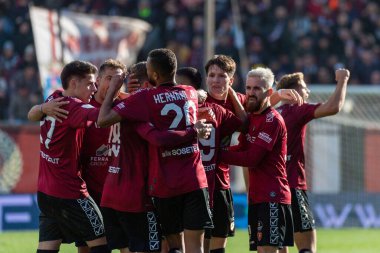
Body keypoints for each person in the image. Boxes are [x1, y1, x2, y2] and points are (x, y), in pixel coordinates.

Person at [98, 48, 213, 253]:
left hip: (164, 184)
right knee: (196, 247)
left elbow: (103, 119)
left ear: (155, 75)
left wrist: (116, 89)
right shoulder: (191, 92)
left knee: (174, 246)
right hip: (194, 179)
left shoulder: (145, 98)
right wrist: (192, 131)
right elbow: (196, 94)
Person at [29, 60, 110, 253]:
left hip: (46, 193)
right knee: (101, 245)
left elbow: (32, 113)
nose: (94, 88)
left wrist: (40, 108)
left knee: (47, 247)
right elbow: (105, 116)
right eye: (90, 83)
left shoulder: (53, 98)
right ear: (74, 83)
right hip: (70, 193)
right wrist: (116, 90)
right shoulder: (74, 107)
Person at [220, 67, 294, 253]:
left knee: (268, 249)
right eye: (248, 88)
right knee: (267, 249)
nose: (251, 93)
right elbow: (241, 148)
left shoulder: (272, 121)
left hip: (272, 196)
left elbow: (252, 158)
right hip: (257, 196)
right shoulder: (253, 118)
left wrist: (216, 154)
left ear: (269, 92)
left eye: (256, 89)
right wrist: (218, 149)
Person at [276, 68, 350, 253]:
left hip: (269, 190)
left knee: (278, 247)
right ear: (292, 91)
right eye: (304, 87)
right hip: (292, 186)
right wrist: (342, 80)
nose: (307, 91)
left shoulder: (271, 114)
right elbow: (333, 107)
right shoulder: (296, 109)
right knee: (307, 249)